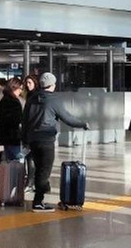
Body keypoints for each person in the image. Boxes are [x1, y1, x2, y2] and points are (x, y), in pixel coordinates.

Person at [22, 72, 88, 212]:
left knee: (40, 169)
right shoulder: (54, 100)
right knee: (44, 171)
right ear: (53, 85)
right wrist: (82, 124)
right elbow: (68, 118)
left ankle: (42, 192)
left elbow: (25, 120)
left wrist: (25, 140)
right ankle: (38, 202)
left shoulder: (32, 99)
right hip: (46, 140)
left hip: (33, 140)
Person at [0, 78, 25, 162]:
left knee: (9, 161)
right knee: (17, 160)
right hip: (14, 136)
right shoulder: (14, 101)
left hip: (5, 136)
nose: (21, 91)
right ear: (14, 87)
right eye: (20, 88)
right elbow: (17, 119)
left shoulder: (4, 99)